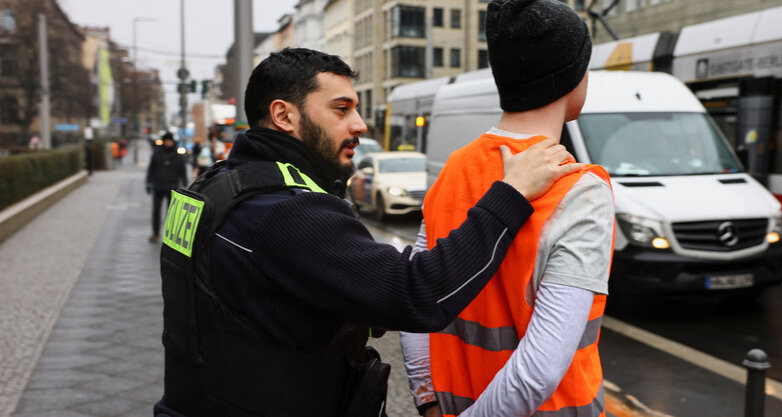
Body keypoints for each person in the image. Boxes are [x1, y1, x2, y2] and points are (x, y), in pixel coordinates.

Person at [153, 47, 582, 417]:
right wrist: (510, 194)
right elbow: (417, 295)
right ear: (283, 115)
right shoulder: (284, 210)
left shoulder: (214, 186)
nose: (359, 124)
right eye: (341, 110)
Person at [399, 1, 616, 416]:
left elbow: (413, 299)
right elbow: (540, 369)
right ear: (573, 76)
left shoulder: (454, 169)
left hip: (449, 404)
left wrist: (427, 399)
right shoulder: (580, 189)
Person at [145, 132, 186, 242]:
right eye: (166, 140)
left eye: (170, 141)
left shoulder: (178, 155)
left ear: (172, 141)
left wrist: (185, 185)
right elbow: (151, 168)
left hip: (173, 187)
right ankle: (155, 233)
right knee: (156, 211)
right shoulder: (157, 153)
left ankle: (170, 235)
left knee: (172, 213)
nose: (168, 143)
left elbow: (183, 171)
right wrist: (148, 182)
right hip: (158, 186)